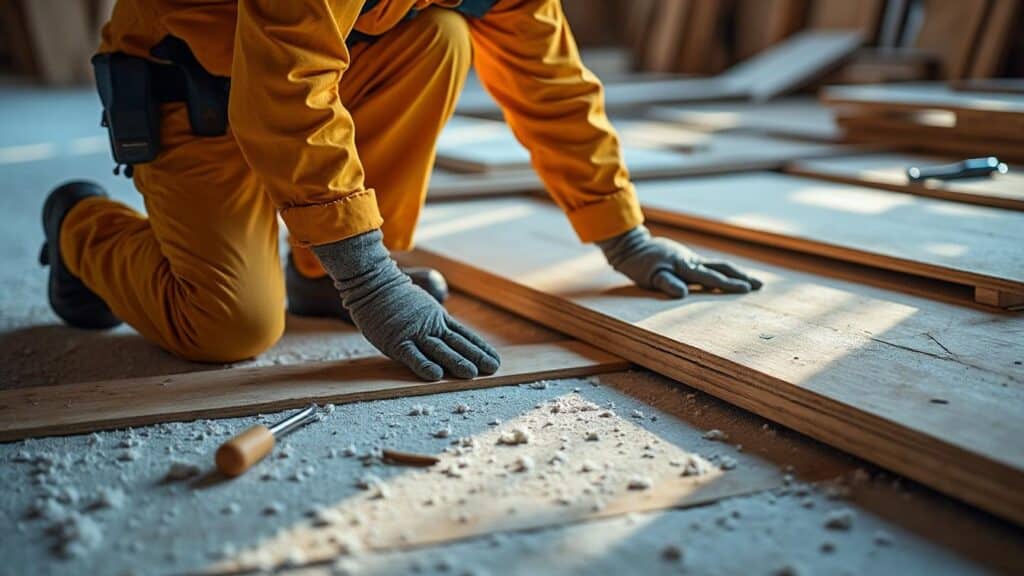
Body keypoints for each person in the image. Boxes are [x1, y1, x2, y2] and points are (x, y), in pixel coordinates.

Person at [41, 0, 761, 382]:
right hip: (191, 89)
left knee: (443, 35)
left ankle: (320, 273)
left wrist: (623, 232)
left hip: (315, 72)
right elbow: (284, 91)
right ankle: (79, 224)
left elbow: (555, 87)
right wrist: (373, 279)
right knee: (228, 328)